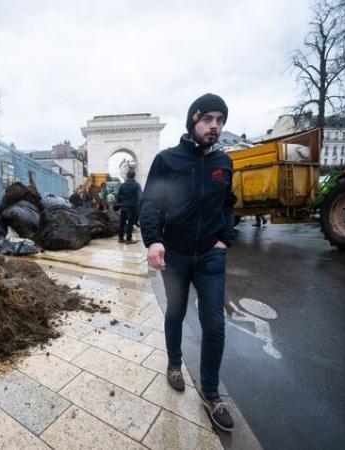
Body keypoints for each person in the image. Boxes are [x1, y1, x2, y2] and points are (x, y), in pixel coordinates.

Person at [139, 93, 236, 432]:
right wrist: (153, 240)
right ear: (193, 120)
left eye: (220, 120)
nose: (215, 126)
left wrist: (226, 237)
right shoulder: (168, 160)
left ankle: (211, 393)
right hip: (177, 255)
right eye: (208, 119)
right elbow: (149, 204)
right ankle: (174, 364)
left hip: (211, 255)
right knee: (176, 312)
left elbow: (229, 204)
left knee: (215, 324)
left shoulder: (224, 163)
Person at [117, 170, 141, 243]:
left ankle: (120, 238)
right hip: (132, 206)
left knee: (122, 222)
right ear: (134, 176)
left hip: (123, 206)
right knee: (130, 223)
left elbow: (118, 196)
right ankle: (128, 239)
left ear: (127, 176)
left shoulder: (122, 185)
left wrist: (121, 203)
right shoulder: (137, 185)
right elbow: (140, 196)